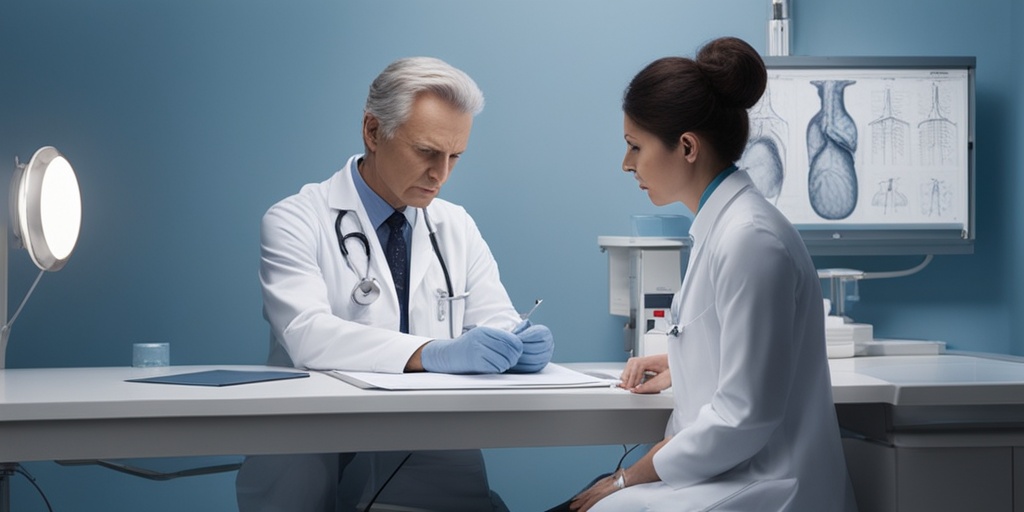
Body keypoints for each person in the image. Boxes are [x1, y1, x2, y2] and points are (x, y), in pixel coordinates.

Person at [236, 56, 554, 512]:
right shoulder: (296, 219)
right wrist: (432, 352)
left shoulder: (455, 225)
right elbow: (307, 334)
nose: (441, 175)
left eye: (454, 157)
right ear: (372, 131)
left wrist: (516, 342)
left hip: (425, 453)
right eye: (427, 152)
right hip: (317, 449)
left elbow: (493, 317)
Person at [560, 37, 858, 511]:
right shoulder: (725, 228)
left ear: (687, 147)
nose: (627, 164)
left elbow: (745, 417)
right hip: (728, 472)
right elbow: (746, 359)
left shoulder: (751, 239)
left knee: (596, 502)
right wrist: (684, 360)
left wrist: (629, 477)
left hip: (768, 484)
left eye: (635, 146)